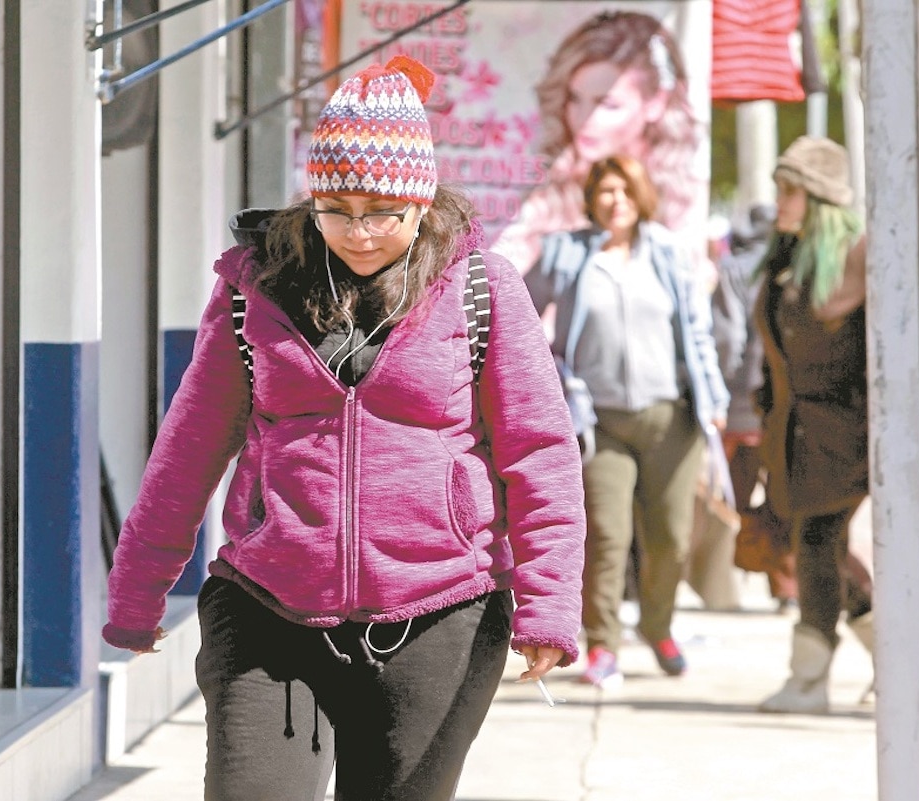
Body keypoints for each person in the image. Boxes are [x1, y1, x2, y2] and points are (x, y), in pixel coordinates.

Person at [103, 55, 587, 800]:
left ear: (421, 202)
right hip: (268, 605)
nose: (358, 231)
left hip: (441, 613)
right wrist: (138, 590)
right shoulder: (255, 289)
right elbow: (189, 448)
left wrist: (548, 601)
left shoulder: (482, 289)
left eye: (381, 210)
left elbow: (539, 450)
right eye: (336, 207)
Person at [523, 154, 729, 688]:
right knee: (607, 536)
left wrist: (715, 398)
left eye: (625, 191)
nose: (615, 201)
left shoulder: (667, 252)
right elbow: (518, 312)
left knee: (671, 538)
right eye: (605, 191)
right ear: (592, 199)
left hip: (671, 417)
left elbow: (697, 332)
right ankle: (602, 647)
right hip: (599, 421)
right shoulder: (568, 254)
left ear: (641, 197)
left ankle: (659, 628)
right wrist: (546, 378)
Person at [753, 135, 874, 714]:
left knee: (824, 551)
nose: (778, 200)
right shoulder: (786, 257)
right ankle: (885, 664)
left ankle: (809, 682)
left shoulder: (859, 255)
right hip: (795, 438)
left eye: (789, 189)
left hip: (849, 438)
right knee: (821, 551)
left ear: (819, 197)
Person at [491, 10, 707, 280]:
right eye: (574, 99)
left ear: (655, 103)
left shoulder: (681, 203)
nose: (583, 119)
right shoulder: (548, 197)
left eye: (606, 104)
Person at [710, 204, 799, 611]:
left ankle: (736, 572)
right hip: (786, 398)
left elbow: (727, 337)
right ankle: (786, 586)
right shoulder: (791, 264)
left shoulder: (733, 269)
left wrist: (723, 390)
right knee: (784, 493)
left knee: (739, 495)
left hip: (743, 401)